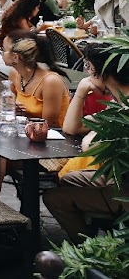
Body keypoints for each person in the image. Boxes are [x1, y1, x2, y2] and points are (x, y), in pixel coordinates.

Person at [44, 42, 129, 244]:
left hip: (124, 189)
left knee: (53, 198)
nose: (87, 73)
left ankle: (88, 249)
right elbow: (70, 128)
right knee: (68, 179)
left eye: (89, 68)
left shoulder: (123, 109)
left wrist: (93, 134)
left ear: (102, 73)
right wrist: (82, 90)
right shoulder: (118, 104)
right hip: (115, 179)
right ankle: (100, 235)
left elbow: (91, 147)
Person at [0, 30, 69, 198]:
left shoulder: (50, 81)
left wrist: (22, 113)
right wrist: (10, 108)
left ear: (16, 57)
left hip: (54, 149)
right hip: (27, 141)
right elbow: (9, 110)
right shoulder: (16, 74)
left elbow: (47, 126)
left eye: (4, 49)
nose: (1, 52)